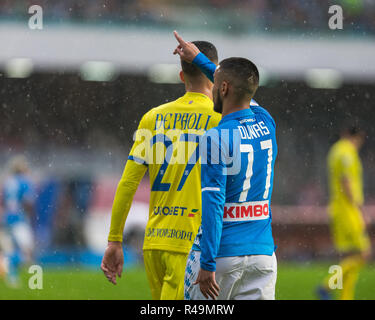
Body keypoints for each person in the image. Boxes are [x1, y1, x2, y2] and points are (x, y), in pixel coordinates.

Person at [101, 41, 221, 300]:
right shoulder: (221, 119)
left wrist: (114, 240)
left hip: (155, 241)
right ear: (214, 75)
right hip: (194, 242)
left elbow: (128, 184)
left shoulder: (152, 117)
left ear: (181, 76)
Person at [173, 31, 278, 300]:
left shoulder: (216, 138)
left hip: (222, 256)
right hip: (263, 256)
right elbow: (236, 85)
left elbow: (213, 203)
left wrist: (207, 264)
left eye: (215, 84)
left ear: (222, 89)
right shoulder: (266, 122)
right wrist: (199, 59)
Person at [317, 125, 371, 300]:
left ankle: (346, 297)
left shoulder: (335, 151)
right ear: (357, 137)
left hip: (337, 208)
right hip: (348, 209)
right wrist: (359, 209)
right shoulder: (347, 152)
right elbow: (346, 181)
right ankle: (326, 285)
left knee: (349, 256)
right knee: (364, 253)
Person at [1, 155, 35, 287]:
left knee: (11, 249)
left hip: (7, 218)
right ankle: (6, 266)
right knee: (27, 251)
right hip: (19, 219)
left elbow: (4, 201)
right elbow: (28, 202)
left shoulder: (8, 182)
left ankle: (11, 274)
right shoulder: (24, 182)